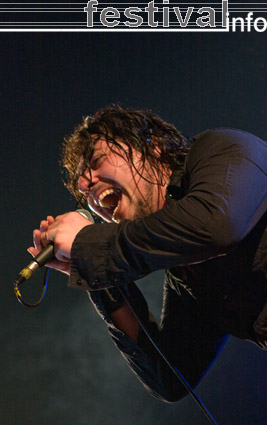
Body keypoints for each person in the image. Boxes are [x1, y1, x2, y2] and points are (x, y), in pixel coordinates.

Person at [28, 106, 267, 402]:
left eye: (96, 161)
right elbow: (172, 377)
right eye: (81, 187)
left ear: (152, 147)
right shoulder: (186, 275)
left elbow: (219, 225)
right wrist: (95, 275)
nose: (84, 184)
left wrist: (90, 244)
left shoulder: (224, 151)